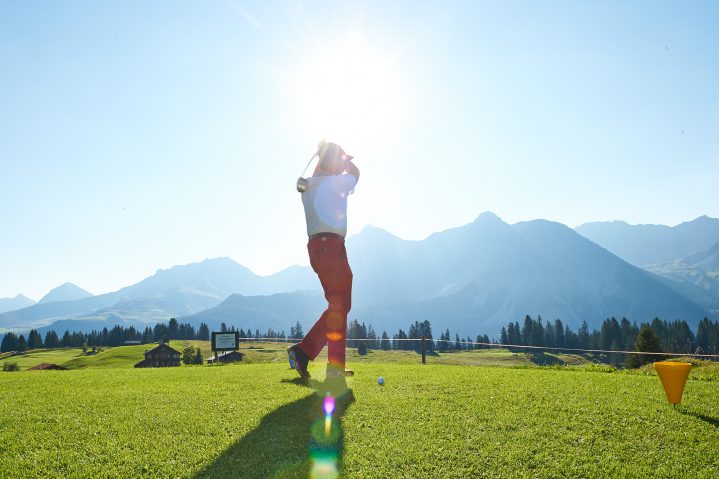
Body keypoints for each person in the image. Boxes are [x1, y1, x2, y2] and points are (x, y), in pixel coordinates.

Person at [288, 141, 360, 379]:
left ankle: (334, 367)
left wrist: (330, 156)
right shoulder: (338, 181)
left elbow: (316, 175)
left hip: (317, 249)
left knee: (338, 306)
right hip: (332, 248)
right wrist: (345, 161)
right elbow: (356, 174)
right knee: (340, 306)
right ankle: (303, 352)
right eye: (339, 161)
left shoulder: (307, 187)